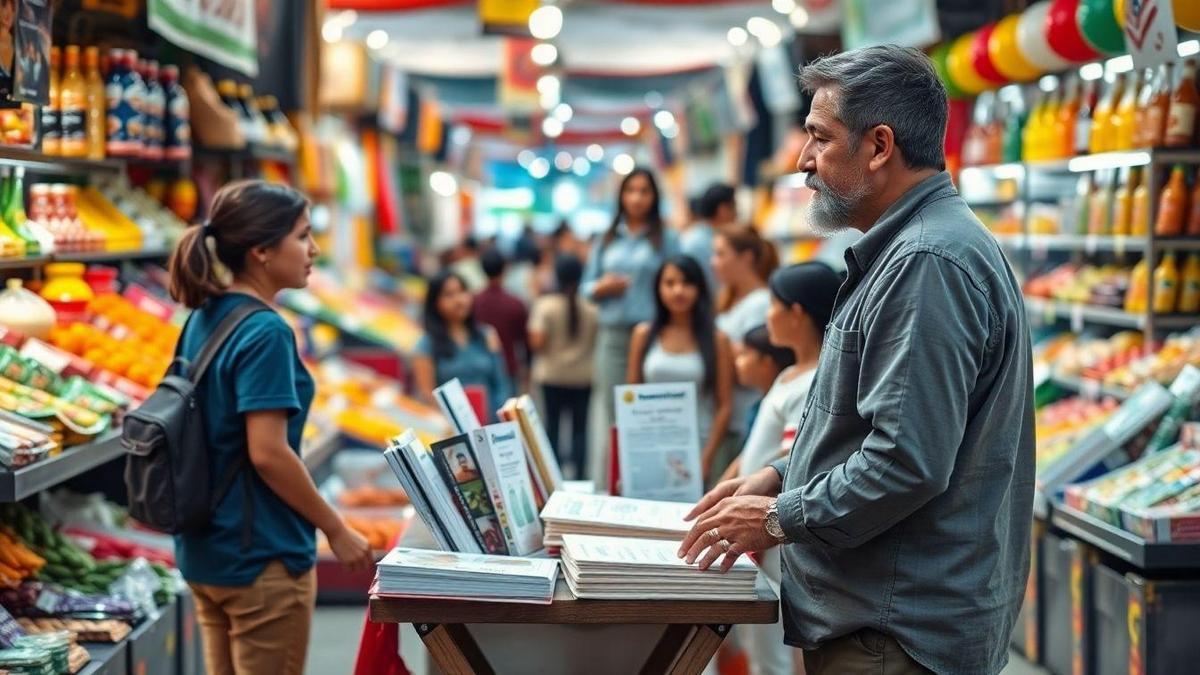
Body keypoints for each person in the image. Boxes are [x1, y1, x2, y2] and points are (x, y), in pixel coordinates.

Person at [679, 45, 1034, 675]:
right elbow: (882, 424)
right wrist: (782, 475)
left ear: (878, 146)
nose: (802, 161)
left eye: (819, 137)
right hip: (885, 617)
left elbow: (905, 461)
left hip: (894, 631)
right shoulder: (912, 251)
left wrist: (781, 518)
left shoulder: (928, 264)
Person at [166, 180, 373, 675]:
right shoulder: (266, 330)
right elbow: (268, 452)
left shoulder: (204, 316)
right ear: (261, 250)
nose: (314, 249)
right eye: (303, 236)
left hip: (206, 550)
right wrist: (335, 527)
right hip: (261, 557)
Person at [720, 263, 842, 675]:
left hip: (772, 535)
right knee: (761, 650)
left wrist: (764, 522)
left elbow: (797, 463)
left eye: (773, 305)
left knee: (771, 654)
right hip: (757, 528)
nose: (765, 315)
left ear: (796, 313)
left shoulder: (815, 380)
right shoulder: (791, 373)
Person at [582, 167, 678, 485]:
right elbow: (585, 288)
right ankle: (614, 486)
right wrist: (601, 288)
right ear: (621, 196)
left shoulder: (666, 238)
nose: (637, 198)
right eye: (631, 191)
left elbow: (682, 280)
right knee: (615, 418)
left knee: (650, 416)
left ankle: (651, 485)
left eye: (644, 191)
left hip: (654, 337)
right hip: (612, 338)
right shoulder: (606, 238)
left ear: (654, 197)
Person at [627, 255, 733, 483]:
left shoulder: (718, 340)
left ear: (699, 288)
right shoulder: (643, 335)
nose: (678, 291)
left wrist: (707, 458)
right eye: (670, 283)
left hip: (698, 445)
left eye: (687, 283)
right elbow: (631, 398)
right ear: (658, 289)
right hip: (649, 444)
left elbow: (724, 405)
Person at [712, 225, 780, 472]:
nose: (714, 262)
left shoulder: (760, 303)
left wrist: (722, 350)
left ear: (746, 258)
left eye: (721, 254)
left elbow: (757, 363)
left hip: (741, 416)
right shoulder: (728, 300)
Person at [528, 254, 597, 479]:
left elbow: (537, 343)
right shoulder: (591, 307)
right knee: (580, 431)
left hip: (552, 376)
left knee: (552, 429)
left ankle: (553, 479)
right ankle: (580, 478)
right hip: (583, 377)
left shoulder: (545, 306)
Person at [413, 271, 512, 420]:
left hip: (492, 427)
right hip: (453, 430)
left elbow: (501, 383)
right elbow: (427, 395)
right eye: (449, 295)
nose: (459, 300)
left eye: (462, 291)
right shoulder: (426, 346)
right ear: (435, 303)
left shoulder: (486, 335)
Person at [474, 248, 530, 383]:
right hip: (508, 366)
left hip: (480, 366)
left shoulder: (474, 301)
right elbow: (524, 340)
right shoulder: (515, 303)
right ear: (505, 268)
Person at [683, 183, 737, 288]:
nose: (736, 213)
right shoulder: (694, 241)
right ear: (723, 210)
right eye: (733, 207)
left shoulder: (714, 236)